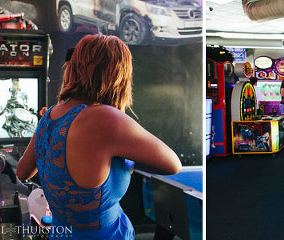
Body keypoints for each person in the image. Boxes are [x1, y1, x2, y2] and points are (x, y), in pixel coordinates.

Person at [16, 35, 182, 239]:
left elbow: (23, 172)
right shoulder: (106, 119)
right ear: (118, 75)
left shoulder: (50, 115)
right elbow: (173, 164)